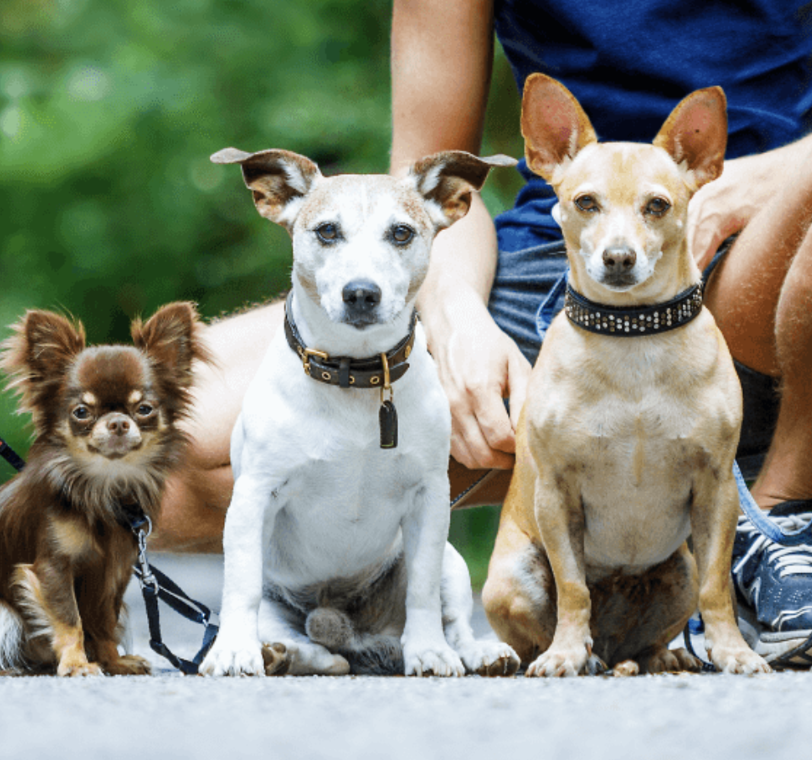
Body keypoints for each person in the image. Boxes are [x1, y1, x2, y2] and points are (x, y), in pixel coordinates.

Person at [156, 0, 812, 662]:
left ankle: (782, 509)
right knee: (165, 450)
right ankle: (351, 615)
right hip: (563, 259)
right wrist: (456, 312)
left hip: (766, 240)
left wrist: (780, 176)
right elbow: (427, 166)